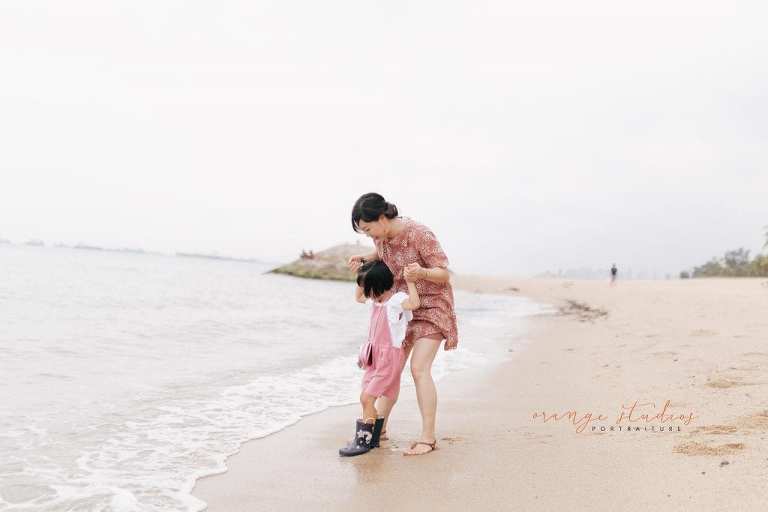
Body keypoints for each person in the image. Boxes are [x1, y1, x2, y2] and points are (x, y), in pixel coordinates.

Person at [347, 192, 458, 455]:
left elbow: (444, 273)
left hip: (431, 305)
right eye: (363, 232)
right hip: (402, 306)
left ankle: (427, 438)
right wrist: (364, 258)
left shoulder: (419, 233)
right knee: (392, 365)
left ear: (383, 217)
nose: (369, 235)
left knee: (419, 369)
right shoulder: (381, 237)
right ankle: (379, 428)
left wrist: (421, 272)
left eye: (368, 228)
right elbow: (382, 251)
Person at [339, 260, 420, 457]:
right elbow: (358, 297)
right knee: (366, 395)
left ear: (380, 284)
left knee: (366, 397)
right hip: (373, 357)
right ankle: (374, 436)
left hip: (388, 358)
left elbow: (415, 303)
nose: (365, 293)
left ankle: (363, 439)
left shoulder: (395, 300)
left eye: (368, 288)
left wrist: (410, 282)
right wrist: (361, 273)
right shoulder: (376, 301)